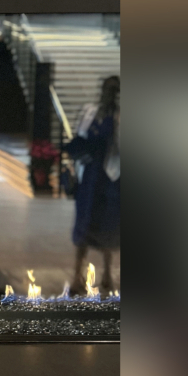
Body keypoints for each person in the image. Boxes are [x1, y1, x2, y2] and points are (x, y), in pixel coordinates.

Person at [65, 76, 120, 295]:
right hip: (91, 175)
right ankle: (78, 276)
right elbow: (81, 136)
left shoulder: (120, 116)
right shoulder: (91, 112)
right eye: (108, 90)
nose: (110, 95)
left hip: (111, 177)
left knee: (107, 224)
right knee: (85, 222)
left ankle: (106, 275)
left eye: (114, 91)